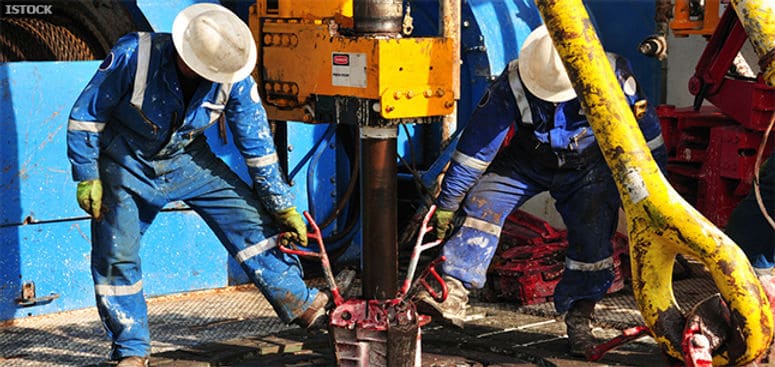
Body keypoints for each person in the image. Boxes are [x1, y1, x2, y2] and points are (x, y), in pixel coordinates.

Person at [67, 4, 343, 366]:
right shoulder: (134, 55)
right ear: (182, 50)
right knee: (116, 256)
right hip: (126, 163)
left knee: (251, 224)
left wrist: (282, 205)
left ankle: (302, 304)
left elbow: (257, 146)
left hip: (186, 162)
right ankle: (131, 351)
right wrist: (87, 174)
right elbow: (87, 115)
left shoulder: (234, 76)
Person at [415, 24, 667, 356]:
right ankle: (452, 291)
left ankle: (580, 318)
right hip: (527, 161)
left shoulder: (612, 76)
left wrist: (659, 200)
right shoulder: (515, 81)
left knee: (592, 238)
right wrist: (448, 203)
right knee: (483, 202)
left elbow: (647, 137)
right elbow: (476, 150)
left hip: (589, 166)